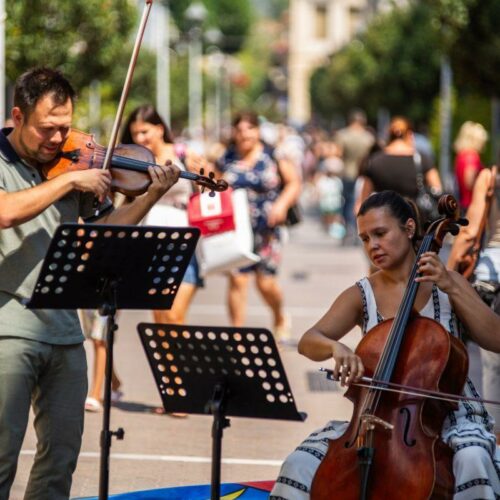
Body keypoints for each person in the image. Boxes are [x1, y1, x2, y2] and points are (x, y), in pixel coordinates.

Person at [0, 67, 180, 500]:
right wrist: (68, 180)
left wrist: (150, 196)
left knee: (60, 459)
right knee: (2, 455)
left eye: (65, 128)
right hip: (7, 328)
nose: (58, 140)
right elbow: (5, 212)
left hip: (63, 329)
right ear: (18, 117)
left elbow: (105, 235)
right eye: (47, 129)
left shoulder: (73, 165)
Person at [270, 191, 500, 500]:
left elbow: (495, 339)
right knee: (299, 464)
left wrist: (450, 286)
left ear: (408, 228)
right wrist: (336, 349)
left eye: (380, 233)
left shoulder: (448, 283)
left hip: (453, 413)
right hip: (376, 417)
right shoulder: (362, 293)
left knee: (473, 459)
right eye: (365, 238)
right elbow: (310, 340)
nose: (372, 246)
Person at [215, 111, 301, 343]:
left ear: (258, 131)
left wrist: (281, 205)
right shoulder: (227, 157)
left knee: (265, 282)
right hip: (237, 228)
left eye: (250, 129)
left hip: (267, 228)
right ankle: (237, 335)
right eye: (240, 130)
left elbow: (293, 182)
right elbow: (216, 184)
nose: (245, 134)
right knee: (237, 279)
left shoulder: (273, 154)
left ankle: (279, 315)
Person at [448, 166, 500, 438]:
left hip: (495, 277)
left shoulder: (491, 176)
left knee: (494, 369)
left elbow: (469, 235)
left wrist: (448, 272)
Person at [359, 116, 442, 226]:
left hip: (384, 220)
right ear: (410, 135)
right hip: (415, 219)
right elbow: (437, 188)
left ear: (389, 135)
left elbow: (364, 198)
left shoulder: (374, 160)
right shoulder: (422, 159)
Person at [334, 109, 375, 240]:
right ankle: (360, 227)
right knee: (362, 200)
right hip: (364, 174)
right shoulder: (369, 138)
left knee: (348, 201)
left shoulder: (342, 135)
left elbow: (338, 153)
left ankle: (349, 228)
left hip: (348, 172)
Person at [453, 121, 488, 213]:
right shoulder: (472, 157)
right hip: (472, 205)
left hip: (464, 204)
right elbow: (469, 182)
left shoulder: (461, 155)